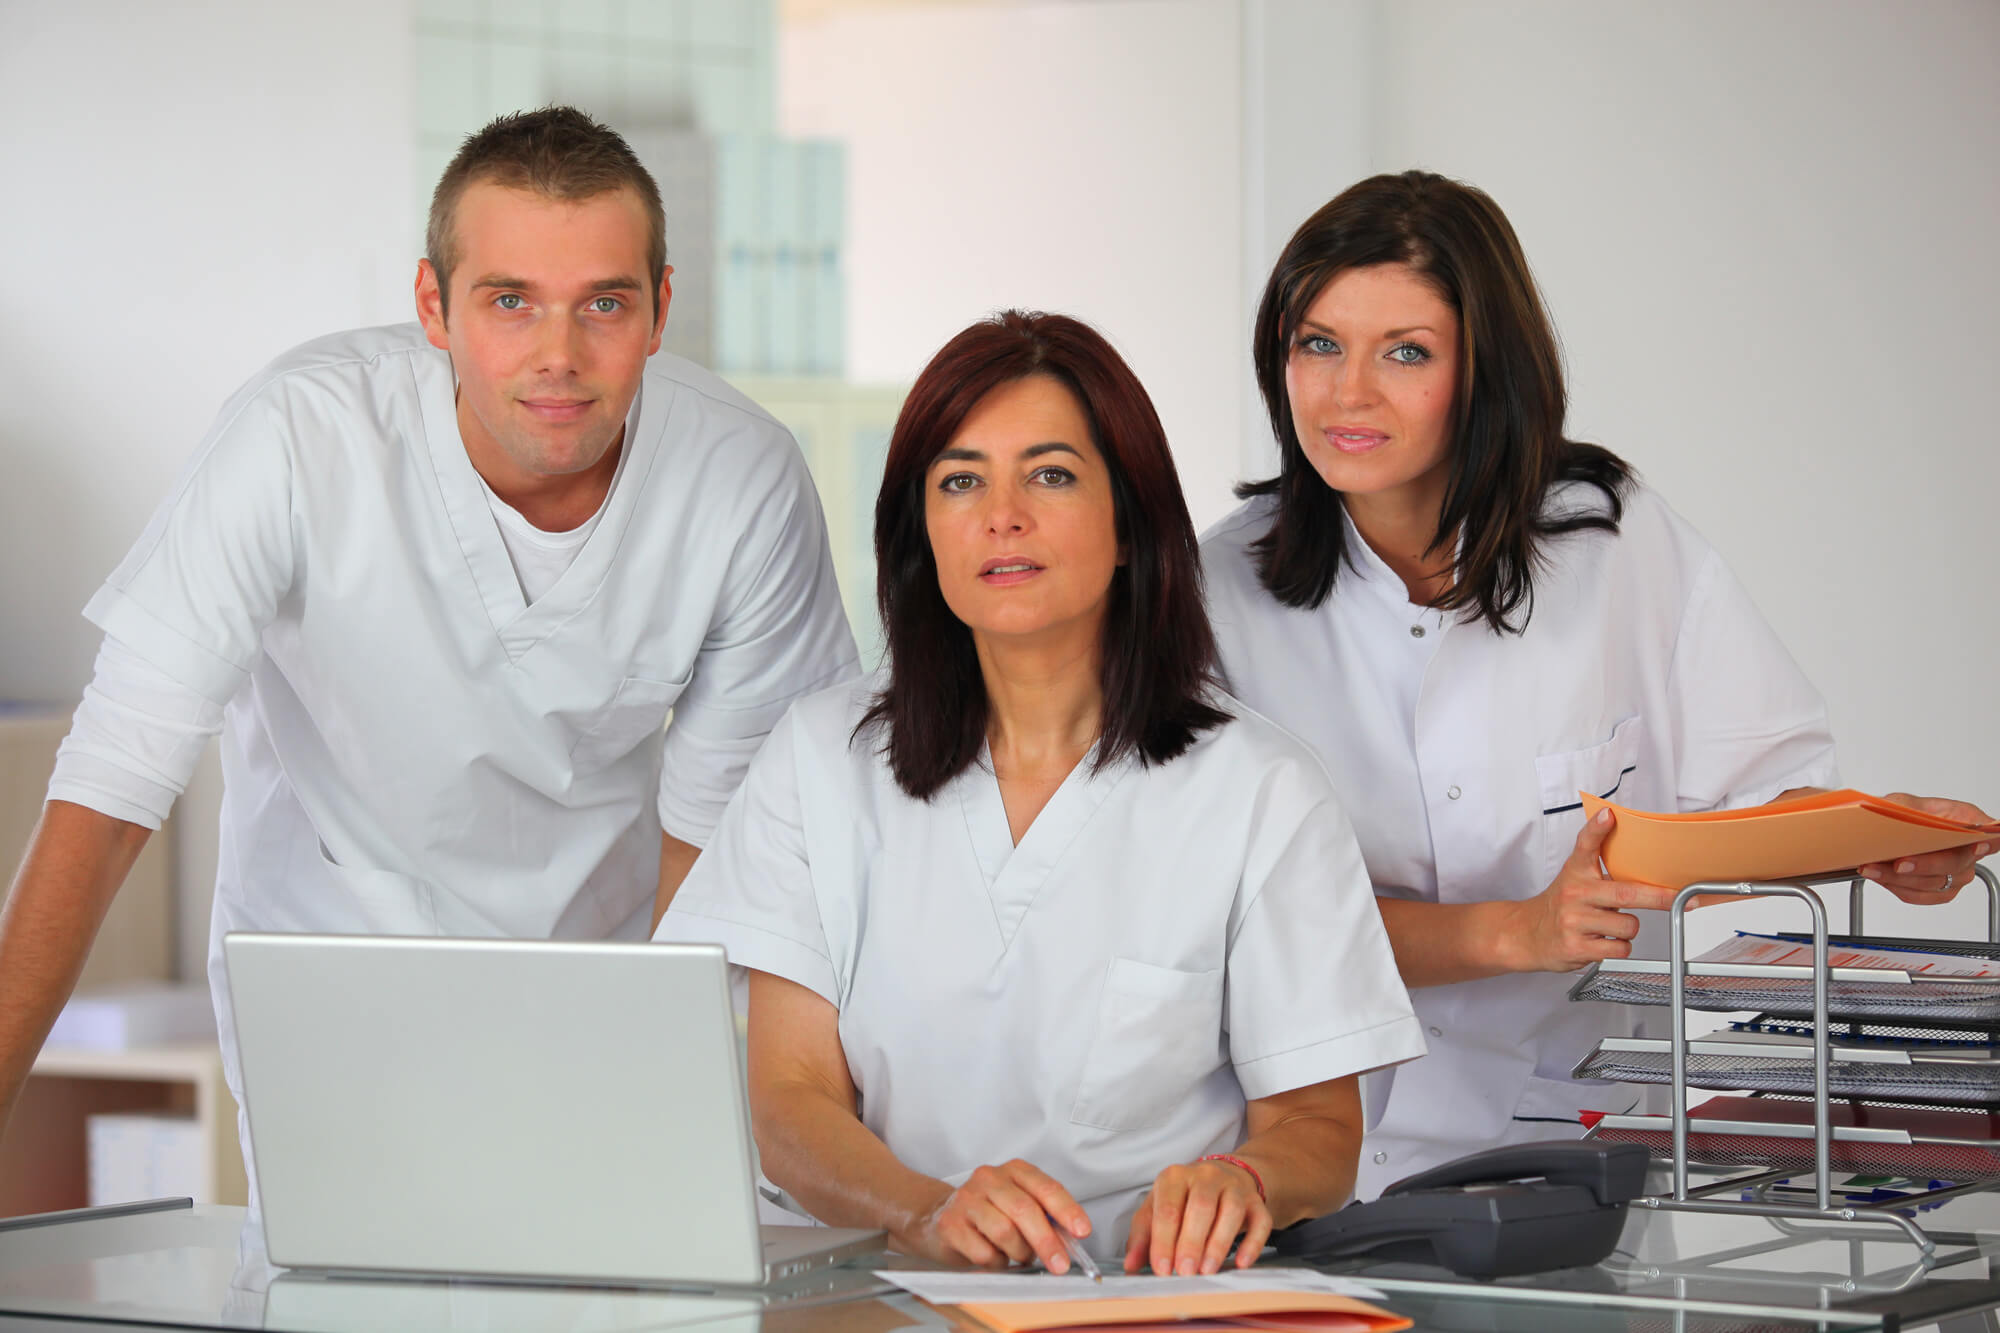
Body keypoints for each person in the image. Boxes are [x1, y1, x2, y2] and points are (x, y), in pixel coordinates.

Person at [0, 108, 859, 1178]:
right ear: (432, 307)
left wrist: (637, 1092)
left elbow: (714, 845)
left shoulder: (741, 481)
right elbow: (111, 786)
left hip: (597, 985)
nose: (558, 356)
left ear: (659, 310)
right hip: (329, 983)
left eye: (603, 303)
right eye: (509, 301)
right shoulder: (297, 438)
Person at [1200, 170, 1995, 1200]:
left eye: (1406, 351)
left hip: (1569, 1149)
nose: (1348, 393)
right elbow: (1232, 924)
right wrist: (1515, 931)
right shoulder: (1217, 590)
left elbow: (1755, 792)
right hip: (1305, 1157)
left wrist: (1878, 836)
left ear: (1486, 370)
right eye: (1318, 344)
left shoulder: (1611, 542)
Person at [655, 311, 1422, 1275]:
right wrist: (926, 1212)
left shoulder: (1263, 790)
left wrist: (1246, 1180)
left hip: (1141, 1305)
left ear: (1130, 523)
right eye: (960, 480)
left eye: (1050, 475)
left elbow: (1318, 1125)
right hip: (883, 1296)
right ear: (921, 532)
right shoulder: (818, 759)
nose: (1001, 514)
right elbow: (789, 1098)